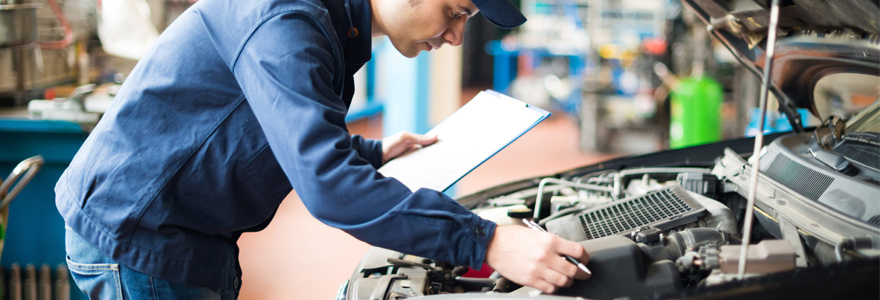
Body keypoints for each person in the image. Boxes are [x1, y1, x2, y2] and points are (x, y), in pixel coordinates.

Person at [56, 0, 591, 298]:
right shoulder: (287, 19)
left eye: (465, 22)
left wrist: (370, 151)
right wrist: (489, 242)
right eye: (455, 11)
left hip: (188, 229)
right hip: (140, 234)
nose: (454, 37)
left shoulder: (335, 22)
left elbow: (270, 124)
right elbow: (327, 187)